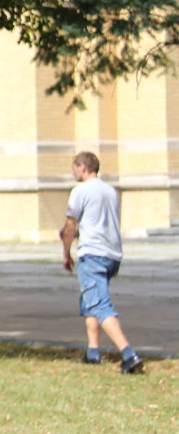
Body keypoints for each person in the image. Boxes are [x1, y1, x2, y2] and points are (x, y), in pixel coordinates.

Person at [60, 151, 144, 373]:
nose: (72, 172)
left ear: (83, 167)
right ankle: (93, 353)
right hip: (112, 254)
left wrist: (66, 252)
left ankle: (129, 354)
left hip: (93, 253)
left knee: (98, 303)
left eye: (74, 167)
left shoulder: (80, 191)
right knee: (90, 300)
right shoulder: (111, 191)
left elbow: (70, 227)